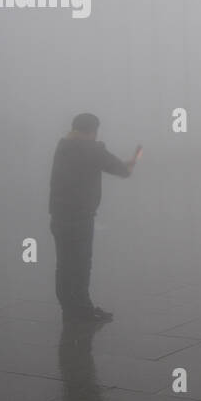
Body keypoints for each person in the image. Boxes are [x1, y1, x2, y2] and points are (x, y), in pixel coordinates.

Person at [48, 113, 136, 321]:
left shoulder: (64, 147)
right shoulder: (90, 149)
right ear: (92, 130)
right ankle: (82, 311)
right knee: (80, 265)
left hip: (59, 215)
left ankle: (70, 308)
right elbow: (121, 170)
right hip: (79, 217)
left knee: (65, 264)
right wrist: (129, 165)